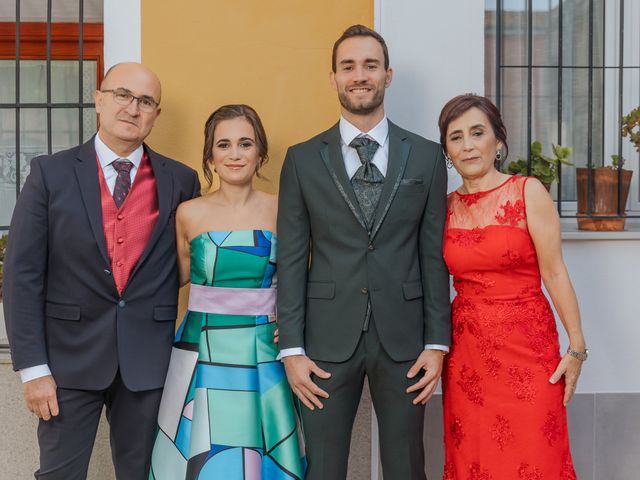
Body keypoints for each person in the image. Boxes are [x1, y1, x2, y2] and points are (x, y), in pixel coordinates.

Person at [3, 62, 201, 479]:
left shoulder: (181, 181)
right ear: (99, 99)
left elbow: (198, 265)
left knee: (145, 474)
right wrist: (34, 369)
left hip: (149, 362)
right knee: (59, 474)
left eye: (146, 101)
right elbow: (22, 275)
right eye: (122, 95)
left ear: (156, 114)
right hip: (67, 360)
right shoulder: (50, 174)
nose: (133, 108)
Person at [277, 25, 451, 479]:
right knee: (324, 467)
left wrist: (437, 343)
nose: (360, 75)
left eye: (370, 66)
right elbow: (293, 258)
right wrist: (291, 348)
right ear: (333, 78)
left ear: (387, 76)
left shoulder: (428, 158)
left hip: (406, 340)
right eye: (348, 66)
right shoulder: (301, 159)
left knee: (406, 465)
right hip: (324, 340)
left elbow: (433, 255)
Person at [149, 104, 306, 479]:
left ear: (260, 153)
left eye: (245, 143)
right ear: (210, 155)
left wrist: (295, 325)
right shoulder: (188, 213)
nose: (234, 154)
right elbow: (173, 279)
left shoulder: (284, 209)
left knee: (259, 450)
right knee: (203, 450)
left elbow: (303, 278)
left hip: (265, 346)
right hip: (201, 346)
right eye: (223, 145)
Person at [438, 94, 585, 479]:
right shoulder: (443, 207)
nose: (468, 145)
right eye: (456, 137)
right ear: (447, 151)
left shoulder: (528, 192)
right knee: (476, 459)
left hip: (528, 352)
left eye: (477, 133)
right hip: (467, 357)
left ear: (498, 140)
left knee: (535, 456)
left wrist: (577, 349)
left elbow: (555, 273)